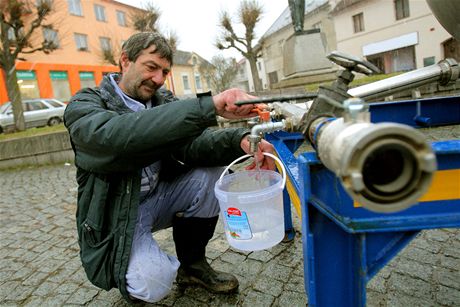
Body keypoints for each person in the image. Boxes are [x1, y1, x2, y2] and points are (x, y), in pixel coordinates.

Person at [64, 32, 275, 303]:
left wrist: (242, 141)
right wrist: (208, 106)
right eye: (151, 67)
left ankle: (193, 267)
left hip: (158, 197)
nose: (159, 79)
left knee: (212, 176)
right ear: (125, 61)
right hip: (120, 215)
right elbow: (117, 138)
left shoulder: (162, 99)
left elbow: (193, 143)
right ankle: (134, 266)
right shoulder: (86, 103)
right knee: (152, 282)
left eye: (164, 71)